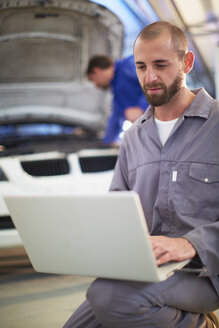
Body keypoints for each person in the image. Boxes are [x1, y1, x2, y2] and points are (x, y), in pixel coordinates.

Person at [63, 21, 219, 328]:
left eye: (161, 65)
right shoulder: (133, 137)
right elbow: (117, 209)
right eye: (141, 67)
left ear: (186, 62)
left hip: (204, 271)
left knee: (110, 297)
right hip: (148, 270)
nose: (150, 78)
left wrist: (193, 243)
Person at [86, 54, 149, 144]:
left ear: (97, 71)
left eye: (93, 80)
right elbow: (115, 119)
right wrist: (108, 143)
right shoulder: (117, 92)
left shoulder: (129, 65)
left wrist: (141, 108)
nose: (96, 86)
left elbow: (155, 83)